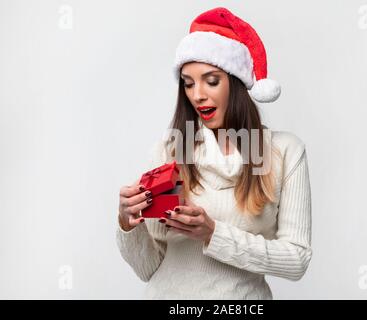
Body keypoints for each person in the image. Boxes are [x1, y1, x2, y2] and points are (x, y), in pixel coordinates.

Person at [116, 7, 312, 299]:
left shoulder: (284, 152)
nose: (197, 95)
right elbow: (149, 268)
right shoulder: (170, 150)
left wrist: (213, 233)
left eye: (211, 81)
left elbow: (296, 260)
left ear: (236, 82)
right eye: (188, 83)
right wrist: (127, 224)